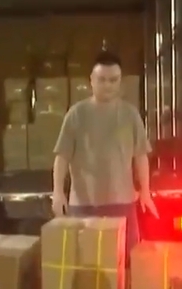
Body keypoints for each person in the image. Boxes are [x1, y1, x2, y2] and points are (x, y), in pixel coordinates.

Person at [51, 50, 157, 250]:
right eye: (102, 80)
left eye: (113, 80)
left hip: (122, 203)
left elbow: (141, 156)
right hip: (83, 205)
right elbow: (62, 156)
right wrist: (58, 192)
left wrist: (145, 191)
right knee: (83, 261)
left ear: (120, 82)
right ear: (91, 80)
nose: (107, 85)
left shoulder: (130, 115)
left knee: (126, 257)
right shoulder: (76, 114)